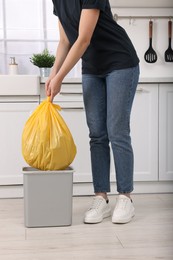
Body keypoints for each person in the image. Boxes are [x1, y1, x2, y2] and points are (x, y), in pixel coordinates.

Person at [46, 0, 140, 224]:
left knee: (117, 131)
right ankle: (102, 198)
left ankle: (125, 197)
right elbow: (65, 40)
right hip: (92, 68)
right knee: (97, 135)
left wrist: (60, 78)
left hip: (120, 62)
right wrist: (53, 72)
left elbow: (84, 39)